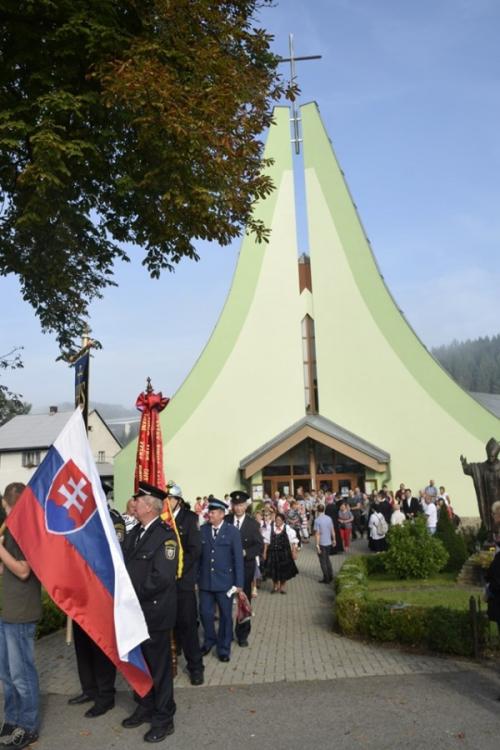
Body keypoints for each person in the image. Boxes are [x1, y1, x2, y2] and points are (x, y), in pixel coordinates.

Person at [121, 482, 179, 743]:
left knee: (159, 668)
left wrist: (132, 596)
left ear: (150, 507)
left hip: (153, 613)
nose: (135, 503)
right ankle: (145, 706)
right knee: (140, 664)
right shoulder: (135, 533)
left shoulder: (165, 536)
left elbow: (161, 578)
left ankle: (164, 717)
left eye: (139, 500)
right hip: (135, 613)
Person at [68, 487, 125, 719]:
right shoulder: (78, 521)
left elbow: (116, 554)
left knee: (101, 647)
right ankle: (89, 689)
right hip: (80, 594)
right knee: (82, 646)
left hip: (101, 594)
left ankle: (105, 696)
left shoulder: (112, 520)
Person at [0, 482, 41, 750]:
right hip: (6, 609)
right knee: (6, 674)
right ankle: (12, 719)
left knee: (21, 675)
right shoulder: (11, 529)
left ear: (7, 503)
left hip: (21, 611)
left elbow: (24, 571)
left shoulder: (27, 531)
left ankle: (28, 726)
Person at [166, 484, 204, 686]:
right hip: (165, 583)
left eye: (171, 499)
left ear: (178, 500)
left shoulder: (189, 519)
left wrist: (176, 569)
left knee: (188, 626)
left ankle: (195, 667)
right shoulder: (163, 519)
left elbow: (195, 549)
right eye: (166, 499)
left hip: (183, 582)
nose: (168, 502)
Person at [198, 497, 244, 662]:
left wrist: (239, 583)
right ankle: (209, 640)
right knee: (205, 613)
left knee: (225, 616)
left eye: (213, 512)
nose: (209, 515)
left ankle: (223, 648)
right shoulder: (203, 530)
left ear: (222, 514)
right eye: (209, 511)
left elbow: (238, 559)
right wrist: (196, 579)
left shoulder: (232, 532)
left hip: (225, 583)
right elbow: (199, 557)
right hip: (205, 582)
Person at [226, 491, 263, 647]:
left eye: (241, 505)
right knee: (225, 601)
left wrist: (246, 552)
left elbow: (259, 545)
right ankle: (226, 634)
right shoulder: (226, 521)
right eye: (236, 505)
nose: (238, 508)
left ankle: (242, 634)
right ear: (233, 506)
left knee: (243, 601)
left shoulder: (253, 524)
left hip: (245, 568)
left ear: (246, 506)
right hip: (227, 568)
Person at [262, 512, 299, 594]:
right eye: (276, 520)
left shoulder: (288, 529)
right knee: (273, 571)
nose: (277, 522)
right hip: (272, 553)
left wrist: (294, 552)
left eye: (279, 520)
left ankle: (282, 587)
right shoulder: (270, 528)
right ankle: (275, 586)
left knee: (284, 571)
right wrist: (264, 553)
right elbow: (266, 542)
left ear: (283, 521)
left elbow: (294, 542)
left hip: (284, 554)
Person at [313, 504, 335, 583]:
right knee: (327, 559)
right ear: (324, 509)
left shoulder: (317, 520)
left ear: (317, 510)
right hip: (328, 542)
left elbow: (317, 534)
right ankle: (331, 575)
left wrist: (317, 545)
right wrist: (334, 540)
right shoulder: (329, 518)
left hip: (322, 543)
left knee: (323, 561)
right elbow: (332, 530)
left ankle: (326, 578)